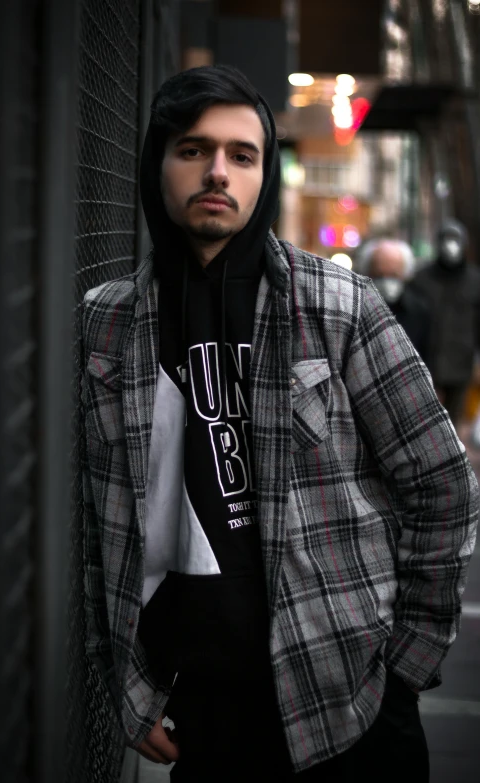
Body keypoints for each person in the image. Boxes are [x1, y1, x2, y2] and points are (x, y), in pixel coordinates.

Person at [81, 66, 478, 782]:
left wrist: (407, 665)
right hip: (201, 711)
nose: (218, 172)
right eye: (193, 149)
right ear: (157, 164)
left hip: (350, 708)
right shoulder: (106, 323)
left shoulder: (337, 306)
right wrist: (129, 687)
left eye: (242, 154)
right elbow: (91, 526)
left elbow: (442, 481)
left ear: (266, 173)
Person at [411, 219, 480, 426]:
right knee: (424, 419)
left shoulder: (475, 281)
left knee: (454, 420)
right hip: (425, 359)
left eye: (455, 239)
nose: (451, 245)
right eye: (446, 239)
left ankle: (453, 456)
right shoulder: (421, 279)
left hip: (462, 361)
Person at [359, 238, 431, 364]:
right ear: (368, 273)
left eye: (393, 275)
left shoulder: (418, 311)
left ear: (405, 274)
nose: (387, 281)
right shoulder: (356, 310)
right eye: (380, 275)